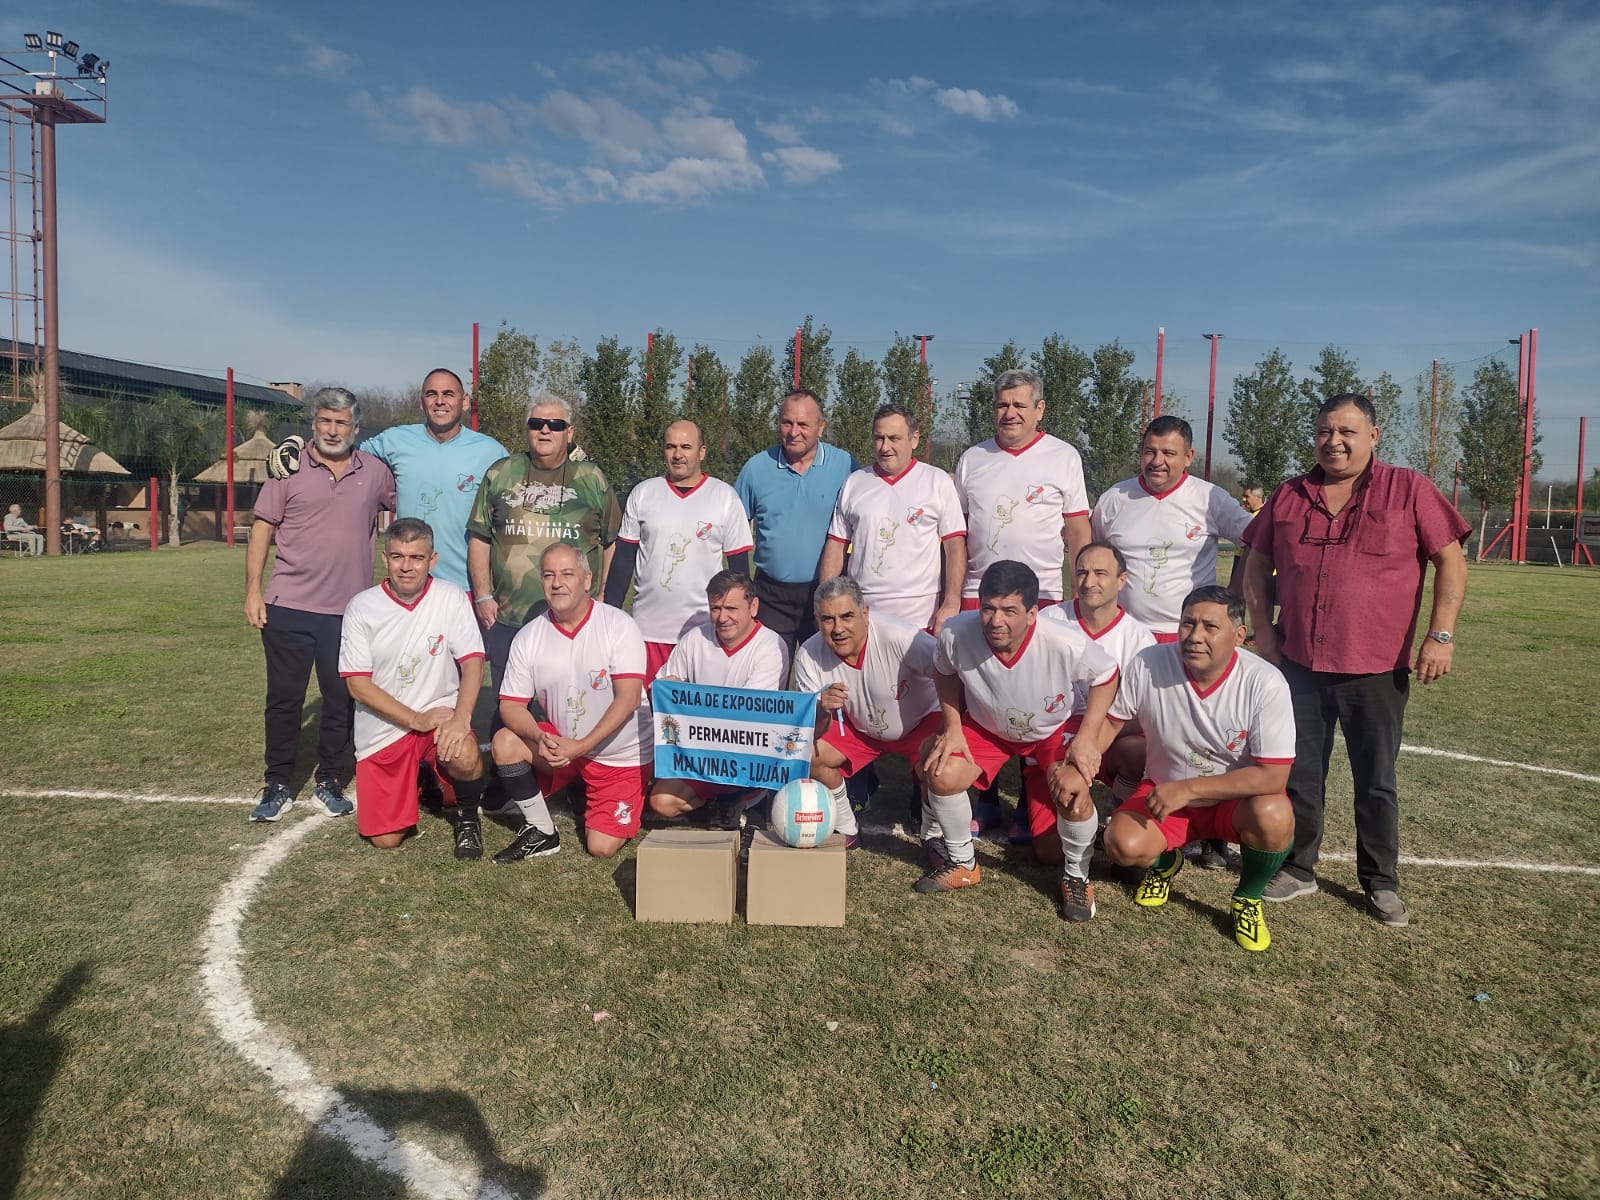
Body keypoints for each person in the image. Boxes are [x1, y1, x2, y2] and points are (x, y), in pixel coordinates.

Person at [1243, 393, 1469, 927]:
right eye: (1324, 431)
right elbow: (1256, 563)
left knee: (1376, 780)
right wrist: (1265, 633)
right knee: (1300, 773)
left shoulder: (1409, 489)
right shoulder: (1290, 494)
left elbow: (1451, 562)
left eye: (1346, 431)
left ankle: (1381, 881)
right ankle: (1298, 867)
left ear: (1373, 435)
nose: (1334, 442)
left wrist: (1440, 635)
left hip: (1377, 666)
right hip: (1299, 662)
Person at [1061, 586, 1297, 951]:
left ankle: (1248, 898)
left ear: (1239, 636)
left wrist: (1189, 788)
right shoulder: (1149, 662)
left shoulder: (1264, 682)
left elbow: (1273, 775)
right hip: (1163, 792)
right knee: (1121, 844)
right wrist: (1082, 759)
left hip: (1231, 802)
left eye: (1210, 627)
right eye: (1188, 623)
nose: (1195, 636)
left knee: (1275, 814)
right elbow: (1112, 722)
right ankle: (1166, 863)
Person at [1091, 415, 1255, 868]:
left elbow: (1254, 541)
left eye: (1168, 453)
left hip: (1192, 637)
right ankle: (1133, 810)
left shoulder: (1209, 498)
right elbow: (1096, 555)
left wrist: (1233, 601)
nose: (1157, 461)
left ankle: (1211, 829)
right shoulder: (1115, 499)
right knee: (1129, 735)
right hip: (1128, 638)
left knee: (1202, 733)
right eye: (1150, 451)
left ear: (1188, 457)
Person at [915, 560, 1118, 913]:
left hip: (1051, 731)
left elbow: (1106, 675)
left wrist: (1086, 738)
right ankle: (963, 864)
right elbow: (942, 670)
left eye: (1009, 611)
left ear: (1033, 613)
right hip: (988, 728)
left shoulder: (1063, 640)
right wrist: (953, 726)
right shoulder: (956, 633)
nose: (996, 621)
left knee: (1068, 799)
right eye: (988, 608)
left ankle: (1077, 877)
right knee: (941, 771)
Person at [245, 388, 396, 822]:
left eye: (341, 422)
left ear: (355, 428)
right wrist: (253, 590)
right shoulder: (288, 468)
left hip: (349, 612)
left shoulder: (375, 473)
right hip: (288, 606)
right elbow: (262, 528)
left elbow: (407, 505)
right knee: (284, 700)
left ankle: (329, 780)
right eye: (325, 421)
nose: (333, 430)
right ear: (313, 424)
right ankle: (277, 783)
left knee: (340, 699)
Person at [954, 369, 1092, 831]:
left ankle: (1025, 800)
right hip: (979, 593)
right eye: (1001, 404)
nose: (1009, 413)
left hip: (1043, 597)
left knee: (1034, 697)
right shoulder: (972, 458)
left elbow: (1077, 529)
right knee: (981, 695)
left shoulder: (1063, 457)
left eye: (1019, 405)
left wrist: (1079, 593)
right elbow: (957, 534)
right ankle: (985, 796)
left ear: (1039, 409)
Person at [338, 518, 491, 857]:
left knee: (465, 753)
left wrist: (461, 718)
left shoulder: (451, 597)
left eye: (416, 558)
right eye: (398, 557)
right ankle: (423, 780)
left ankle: (467, 819)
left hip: (439, 717)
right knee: (386, 839)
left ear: (432, 560)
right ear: (385, 559)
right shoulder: (361, 607)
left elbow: (473, 662)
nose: (406, 567)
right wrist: (415, 720)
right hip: (384, 729)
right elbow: (357, 685)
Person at [490, 542, 651, 862]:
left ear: (587, 580)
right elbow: (510, 705)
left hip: (619, 757)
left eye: (567, 574)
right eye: (548, 575)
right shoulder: (529, 636)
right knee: (505, 742)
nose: (557, 583)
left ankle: (622, 792)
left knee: (601, 848)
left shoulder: (618, 625)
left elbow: (629, 698)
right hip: (565, 748)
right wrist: (539, 737)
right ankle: (542, 831)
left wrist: (581, 747)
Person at [468, 393, 622, 706]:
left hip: (575, 622)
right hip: (510, 619)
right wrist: (483, 596)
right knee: (509, 711)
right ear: (527, 429)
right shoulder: (501, 473)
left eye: (555, 424)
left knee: (574, 706)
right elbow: (480, 536)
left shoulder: (591, 478)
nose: (545, 430)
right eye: (537, 423)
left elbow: (611, 541)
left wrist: (605, 593)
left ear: (569, 432)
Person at [1021, 542, 1158, 858]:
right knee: (1049, 853)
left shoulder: (1139, 639)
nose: (1088, 582)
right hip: (1053, 740)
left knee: (1138, 753)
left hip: (1109, 737)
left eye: (1100, 573)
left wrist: (1089, 740)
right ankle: (1074, 814)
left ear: (1121, 581)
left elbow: (1143, 715)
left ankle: (1120, 816)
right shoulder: (1049, 620)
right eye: (1082, 573)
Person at [793, 576, 943, 856]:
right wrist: (821, 708)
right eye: (827, 619)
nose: (838, 628)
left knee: (940, 765)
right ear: (816, 620)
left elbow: (948, 673)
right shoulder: (809, 654)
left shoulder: (902, 637)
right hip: (859, 727)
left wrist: (950, 728)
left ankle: (933, 835)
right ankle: (846, 827)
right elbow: (811, 730)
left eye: (846, 616)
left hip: (921, 721)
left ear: (865, 612)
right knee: (805, 753)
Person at [604, 420, 752, 682]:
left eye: (686, 447)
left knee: (697, 708)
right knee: (646, 707)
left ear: (702, 452)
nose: (677, 454)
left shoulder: (724, 497)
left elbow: (739, 572)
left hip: (704, 633)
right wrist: (610, 615)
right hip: (647, 632)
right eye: (670, 447)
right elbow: (624, 560)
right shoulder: (644, 493)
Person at [646, 570, 790, 827]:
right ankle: (717, 808)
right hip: (701, 754)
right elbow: (659, 692)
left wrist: (684, 698)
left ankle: (750, 797)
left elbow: (749, 715)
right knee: (661, 802)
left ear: (753, 607)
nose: (722, 618)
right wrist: (665, 688)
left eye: (731, 609)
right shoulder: (695, 639)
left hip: (747, 756)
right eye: (715, 608)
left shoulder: (771, 647)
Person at [733, 389, 858, 662]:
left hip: (828, 593)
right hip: (771, 597)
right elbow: (732, 529)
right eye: (787, 423)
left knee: (830, 673)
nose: (793, 432)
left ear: (821, 427)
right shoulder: (756, 468)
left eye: (803, 424)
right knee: (770, 675)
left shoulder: (846, 466)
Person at [819, 403, 965, 632]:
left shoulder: (937, 482)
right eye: (879, 438)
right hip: (863, 618)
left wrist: (952, 602)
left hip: (921, 620)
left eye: (894, 438)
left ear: (914, 439)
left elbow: (955, 547)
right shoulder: (854, 483)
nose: (885, 447)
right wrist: (825, 600)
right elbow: (836, 546)